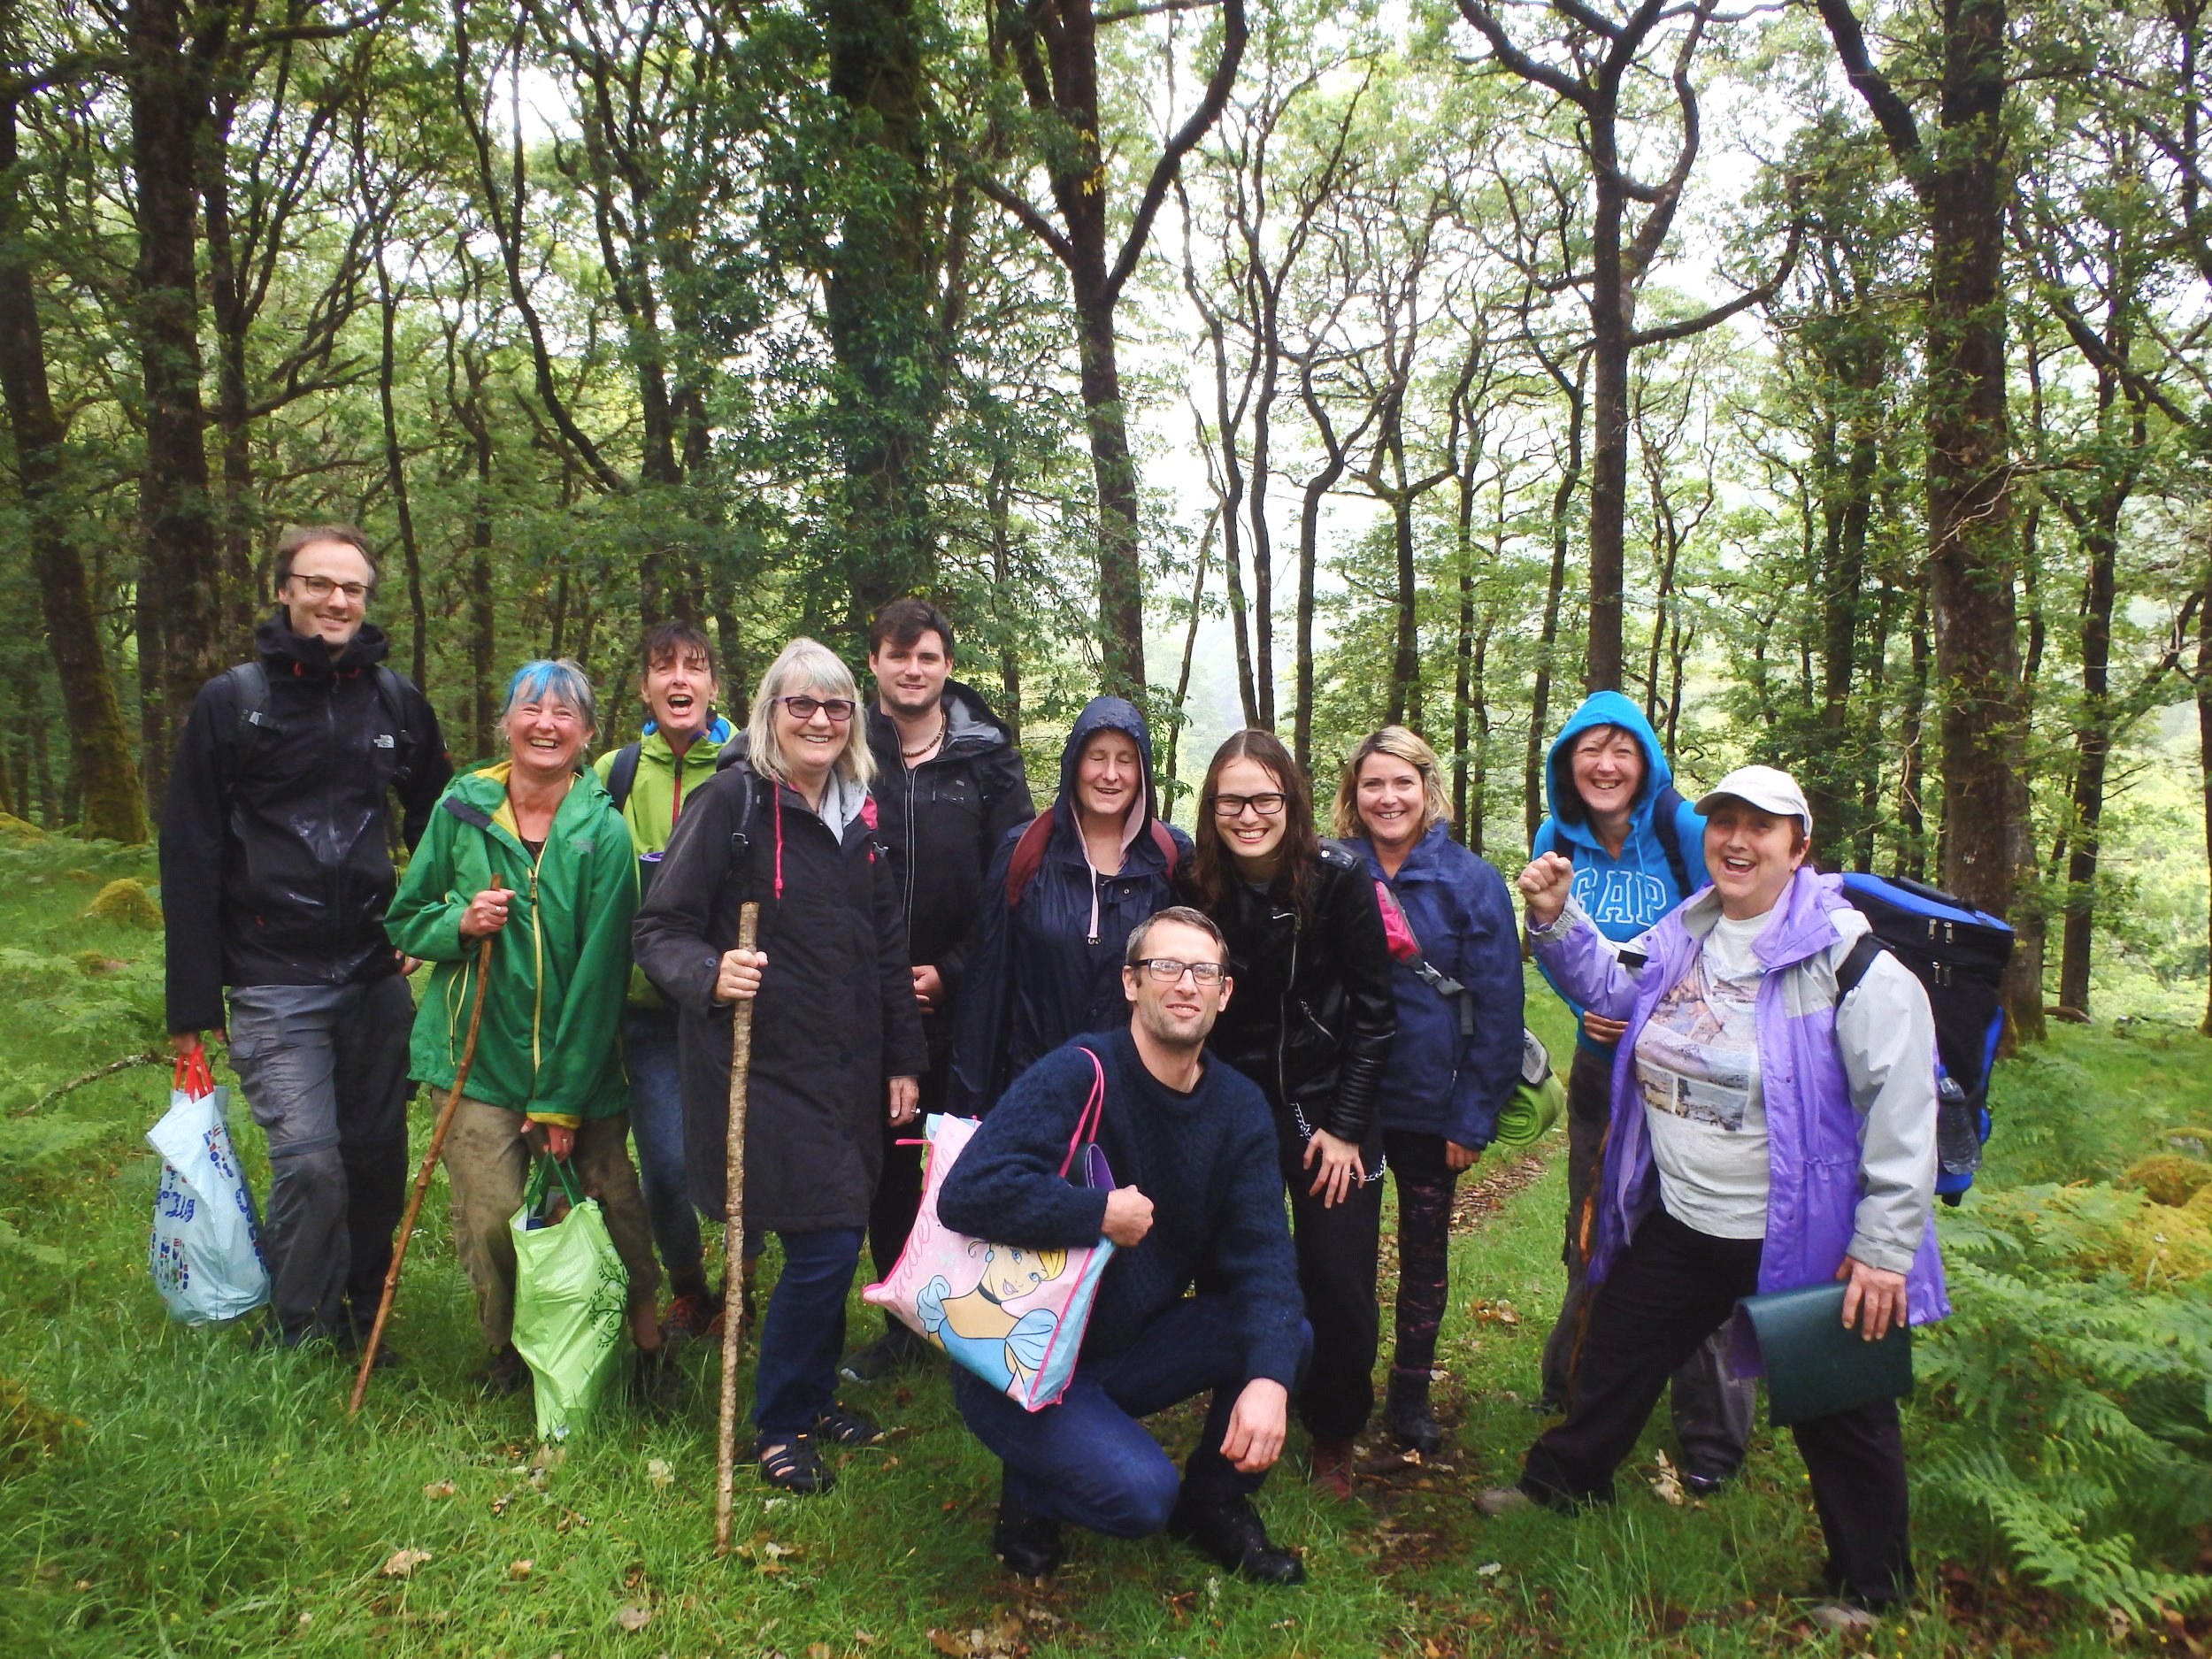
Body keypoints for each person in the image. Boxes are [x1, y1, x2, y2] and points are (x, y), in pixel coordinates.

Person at [1484, 765, 1946, 1632]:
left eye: (1761, 827)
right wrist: (1553, 917)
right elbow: (1617, 992)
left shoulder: (1850, 963)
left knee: (1840, 1410)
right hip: (1688, 1216)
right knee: (1616, 1346)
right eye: (1723, 821)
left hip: (1804, 1236)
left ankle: (1871, 1590)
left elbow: (1903, 1114)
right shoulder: (1689, 931)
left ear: (1798, 846)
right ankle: (1559, 1487)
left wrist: (1883, 1248)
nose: (1736, 839)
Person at [632, 638, 926, 1494]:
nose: (821, 720)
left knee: (829, 1236)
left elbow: (884, 949)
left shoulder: (859, 813)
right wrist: (709, 974)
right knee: (828, 1241)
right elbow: (660, 930)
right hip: (758, 1068)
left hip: (848, 1065)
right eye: (802, 704)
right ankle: (780, 1423)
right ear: (770, 713)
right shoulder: (735, 802)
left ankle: (810, 1389)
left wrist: (903, 1057)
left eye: (837, 707)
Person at [938, 906, 1308, 1585]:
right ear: (1132, 982)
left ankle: (1216, 1503)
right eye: (1165, 966)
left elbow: (1264, 1255)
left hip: (1125, 1344)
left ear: (1225, 993)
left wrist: (1268, 1379)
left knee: (1281, 1335)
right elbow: (966, 1193)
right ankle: (1032, 1486)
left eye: (1204, 971)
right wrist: (1096, 1211)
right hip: (1015, 1351)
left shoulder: (1238, 1108)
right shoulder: (1079, 1073)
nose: (1185, 984)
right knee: (1140, 1497)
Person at [159, 524, 450, 1354]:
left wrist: (423, 923)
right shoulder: (235, 701)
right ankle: (300, 1326)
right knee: (311, 1162)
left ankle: (365, 1312)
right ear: (284, 589)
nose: (336, 601)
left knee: (373, 1157)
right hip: (270, 973)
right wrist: (192, 999)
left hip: (372, 972)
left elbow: (441, 819)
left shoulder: (395, 701)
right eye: (319, 584)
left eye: (352, 588)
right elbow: (190, 848)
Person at [384, 659, 666, 1398]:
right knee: (493, 1214)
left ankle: (645, 1348)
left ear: (587, 733)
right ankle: (512, 1350)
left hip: (583, 1064)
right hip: (475, 1057)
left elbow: (604, 973)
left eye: (564, 713)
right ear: (505, 722)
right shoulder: (461, 810)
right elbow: (407, 918)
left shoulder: (603, 831)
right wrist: (459, 922)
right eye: (531, 708)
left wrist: (559, 1102)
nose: (546, 723)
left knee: (615, 1203)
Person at [1528, 690, 1754, 1491]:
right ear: (1568, 764)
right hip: (1602, 1064)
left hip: (1696, 1067)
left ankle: (1712, 1438)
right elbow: (1556, 944)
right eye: (1589, 749)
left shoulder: (1684, 830)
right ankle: (1575, 1385)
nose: (1605, 764)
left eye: (1622, 748)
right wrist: (1590, 1012)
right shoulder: (1558, 838)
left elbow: (1734, 923)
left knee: (1704, 1233)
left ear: (1647, 761)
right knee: (1593, 1225)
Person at [1181, 728, 1394, 1500]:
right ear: (1212, 806)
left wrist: (1344, 1125)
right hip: (1232, 1103)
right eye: (1232, 799)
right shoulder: (1194, 877)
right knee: (1232, 1262)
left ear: (1290, 802)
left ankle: (1334, 1425)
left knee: (1336, 1274)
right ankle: (1244, 1400)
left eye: (1264, 798)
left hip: (1330, 1098)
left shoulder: (1339, 877)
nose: (1248, 814)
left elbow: (1375, 1009)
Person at [844, 598, 1033, 1383]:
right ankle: (901, 1320)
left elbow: (1012, 879)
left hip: (967, 996)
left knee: (961, 1159)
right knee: (887, 1163)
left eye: (926, 657)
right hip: (867, 999)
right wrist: (888, 979)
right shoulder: (847, 747)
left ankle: (972, 1311)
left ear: (946, 665)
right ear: (876, 664)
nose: (912, 670)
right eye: (898, 656)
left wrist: (950, 970)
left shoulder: (989, 755)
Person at [1332, 727, 1522, 1456]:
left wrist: (1472, 1116)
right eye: (1373, 784)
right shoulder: (1329, 865)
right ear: (1355, 792)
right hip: (1347, 1101)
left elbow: (1500, 1006)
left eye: (1401, 783)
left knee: (1424, 1249)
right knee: (1341, 1256)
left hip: (1429, 1103)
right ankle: (1337, 1387)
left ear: (1426, 787)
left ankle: (1410, 1391)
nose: (1388, 798)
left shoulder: (1470, 881)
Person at [947, 696, 1191, 1115]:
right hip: (1035, 1093)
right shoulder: (1025, 852)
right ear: (1075, 763)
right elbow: (987, 986)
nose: (1110, 774)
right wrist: (967, 1107)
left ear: (1143, 772)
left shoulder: (1170, 858)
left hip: (1139, 1102)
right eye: (1097, 757)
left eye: (1125, 760)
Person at [595, 622, 734, 1342]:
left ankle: (746, 1288)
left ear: (714, 685)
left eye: (694, 667)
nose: (680, 680)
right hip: (648, 1011)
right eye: (663, 668)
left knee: (746, 1159)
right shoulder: (614, 775)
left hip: (734, 1005)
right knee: (669, 1170)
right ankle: (691, 1289)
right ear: (646, 688)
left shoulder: (748, 764)